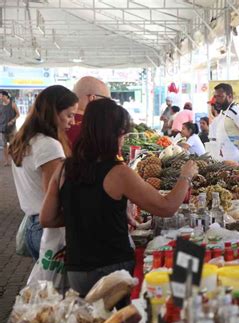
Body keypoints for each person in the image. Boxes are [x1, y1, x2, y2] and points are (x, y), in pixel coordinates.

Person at [40, 98, 198, 297]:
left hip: (76, 270)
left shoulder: (64, 168)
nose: (123, 138)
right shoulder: (119, 173)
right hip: (112, 269)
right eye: (122, 133)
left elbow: (46, 218)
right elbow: (166, 207)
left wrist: (93, 213)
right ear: (113, 133)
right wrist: (186, 175)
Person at [10, 85, 77, 260]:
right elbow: (54, 194)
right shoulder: (49, 145)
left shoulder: (24, 140)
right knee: (57, 286)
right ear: (54, 112)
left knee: (45, 285)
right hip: (49, 229)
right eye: (69, 115)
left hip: (32, 224)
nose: (73, 121)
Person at [68, 76, 110, 146]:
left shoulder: (59, 123)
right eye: (107, 100)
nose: (109, 105)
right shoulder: (99, 128)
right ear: (92, 98)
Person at [213, 83, 239, 163]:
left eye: (220, 96)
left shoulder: (234, 110)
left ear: (230, 96)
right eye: (215, 96)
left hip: (235, 158)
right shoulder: (224, 110)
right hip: (225, 157)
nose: (217, 100)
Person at [0, 91, 20, 166]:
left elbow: (18, 114)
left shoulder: (12, 104)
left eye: (1, 96)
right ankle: (6, 161)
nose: (0, 97)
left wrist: (13, 120)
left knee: (13, 145)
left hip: (12, 129)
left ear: (5, 96)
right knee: (4, 145)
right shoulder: (0, 105)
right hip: (3, 128)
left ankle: (15, 159)